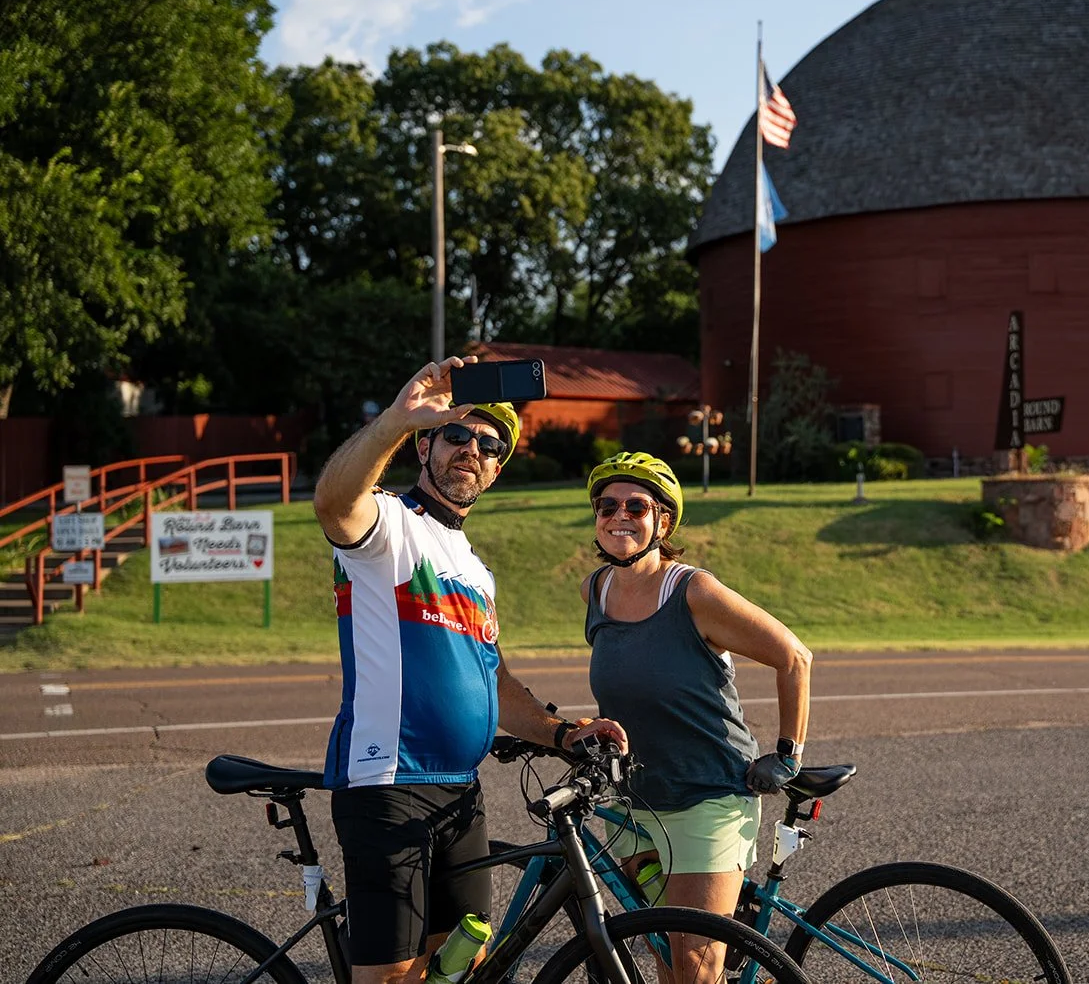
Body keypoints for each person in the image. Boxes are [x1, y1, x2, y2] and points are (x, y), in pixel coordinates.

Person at [315, 356, 626, 984]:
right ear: (425, 444)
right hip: (388, 784)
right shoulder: (389, 526)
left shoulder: (474, 568)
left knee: (463, 966)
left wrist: (565, 734)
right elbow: (331, 502)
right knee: (393, 977)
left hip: (461, 791)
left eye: (490, 445)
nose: (472, 450)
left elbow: (497, 680)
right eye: (457, 434)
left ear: (498, 467)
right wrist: (394, 422)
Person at [578, 451, 813, 982]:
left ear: (662, 520)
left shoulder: (693, 591)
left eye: (636, 506)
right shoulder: (596, 589)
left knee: (695, 965)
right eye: (606, 505)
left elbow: (794, 657)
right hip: (639, 804)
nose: (619, 515)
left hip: (709, 797)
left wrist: (787, 754)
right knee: (666, 956)